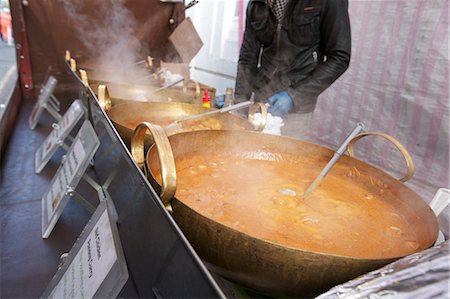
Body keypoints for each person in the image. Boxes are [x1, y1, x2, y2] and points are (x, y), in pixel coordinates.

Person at [235, 0, 351, 139]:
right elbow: (247, 58)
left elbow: (340, 57)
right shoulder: (256, 3)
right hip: (262, 102)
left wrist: (294, 96)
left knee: (287, 157)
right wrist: (239, 106)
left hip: (297, 109)